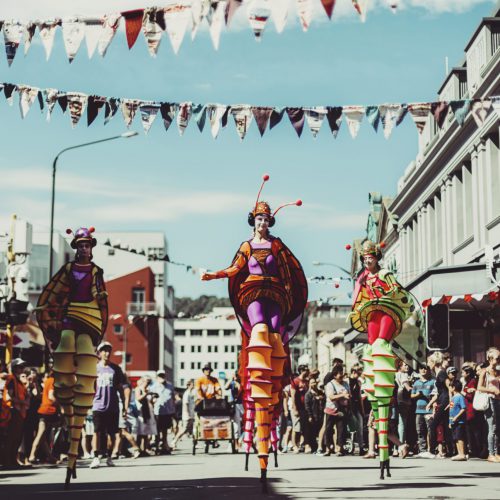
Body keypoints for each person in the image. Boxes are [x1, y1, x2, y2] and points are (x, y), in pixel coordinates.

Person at [201, 174, 307, 489]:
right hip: (252, 296)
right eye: (259, 218)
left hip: (277, 296)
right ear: (253, 220)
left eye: (266, 218)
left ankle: (271, 405)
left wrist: (296, 298)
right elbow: (235, 269)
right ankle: (260, 431)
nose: (262, 222)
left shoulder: (277, 245)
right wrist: (214, 275)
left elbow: (292, 271)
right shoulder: (247, 246)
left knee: (275, 342)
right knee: (259, 332)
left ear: (270, 221)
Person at [36, 226, 108, 487]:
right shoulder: (67, 270)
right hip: (69, 317)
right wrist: (46, 313)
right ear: (75, 247)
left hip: (88, 319)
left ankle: (74, 451)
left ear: (91, 246)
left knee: (86, 374)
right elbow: (52, 293)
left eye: (87, 244)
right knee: (64, 369)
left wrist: (101, 315)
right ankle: (70, 435)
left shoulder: (97, 272)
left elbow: (102, 301)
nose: (84, 248)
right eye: (80, 244)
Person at [350, 239, 417, 479]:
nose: (368, 261)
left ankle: (384, 388)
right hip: (371, 314)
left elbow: (398, 292)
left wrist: (384, 292)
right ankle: (376, 391)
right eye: (365, 258)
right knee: (370, 349)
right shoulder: (362, 280)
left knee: (380, 345)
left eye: (371, 257)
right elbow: (357, 301)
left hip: (388, 310)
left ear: (377, 258)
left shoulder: (386, 274)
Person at [90, 341, 126, 469]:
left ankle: (109, 457)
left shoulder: (116, 369)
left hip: (113, 406)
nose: (107, 353)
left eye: (108, 350)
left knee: (112, 434)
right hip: (98, 405)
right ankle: (95, 457)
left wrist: (124, 406)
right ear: (99, 353)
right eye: (104, 350)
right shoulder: (93, 368)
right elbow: (89, 387)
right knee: (97, 432)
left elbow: (120, 388)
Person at [0, 358, 29, 468]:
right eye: (20, 367)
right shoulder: (12, 380)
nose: (22, 369)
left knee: (17, 438)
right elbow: (9, 397)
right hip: (13, 411)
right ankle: (7, 461)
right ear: (14, 368)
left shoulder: (18, 381)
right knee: (11, 438)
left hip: (19, 411)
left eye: (22, 367)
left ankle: (13, 461)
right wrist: (23, 402)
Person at [29, 368, 59, 464]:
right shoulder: (52, 381)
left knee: (43, 436)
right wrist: (60, 403)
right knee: (41, 433)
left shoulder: (48, 380)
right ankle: (32, 455)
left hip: (44, 410)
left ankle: (49, 456)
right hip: (47, 410)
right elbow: (51, 396)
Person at [428, 352, 453, 457]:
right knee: (445, 426)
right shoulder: (438, 374)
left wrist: (451, 402)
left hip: (445, 401)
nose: (428, 364)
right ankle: (449, 450)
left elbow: (450, 387)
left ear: (434, 362)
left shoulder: (441, 373)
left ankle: (432, 449)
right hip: (442, 401)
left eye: (429, 361)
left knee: (433, 425)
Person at [477, 347, 500, 463]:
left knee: (498, 427)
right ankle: (491, 453)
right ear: (490, 359)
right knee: (492, 427)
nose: (499, 360)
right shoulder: (484, 372)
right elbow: (479, 387)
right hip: (490, 400)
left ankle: (497, 452)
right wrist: (492, 391)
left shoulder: (498, 371)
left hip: (498, 401)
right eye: (497, 358)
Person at [323, 365, 350, 456]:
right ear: (335, 375)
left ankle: (339, 448)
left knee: (341, 430)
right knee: (329, 430)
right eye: (340, 374)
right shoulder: (330, 385)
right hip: (331, 410)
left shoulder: (345, 383)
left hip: (341, 410)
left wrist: (347, 397)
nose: (342, 375)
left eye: (342, 373)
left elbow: (349, 394)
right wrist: (342, 395)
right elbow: (331, 397)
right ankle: (328, 448)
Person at [411, 365, 435, 458]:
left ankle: (431, 449)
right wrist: (417, 395)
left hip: (429, 410)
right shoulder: (416, 383)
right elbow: (411, 396)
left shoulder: (433, 381)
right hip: (418, 410)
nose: (423, 370)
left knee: (430, 430)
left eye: (425, 368)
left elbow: (435, 395)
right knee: (419, 430)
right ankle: (422, 450)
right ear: (419, 370)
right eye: (421, 368)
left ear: (428, 370)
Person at [150, 370, 175, 454]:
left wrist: (173, 411)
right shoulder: (153, 386)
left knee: (165, 431)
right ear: (157, 377)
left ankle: (164, 447)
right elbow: (150, 398)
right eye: (160, 376)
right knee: (157, 431)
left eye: (163, 376)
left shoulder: (170, 385)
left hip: (167, 412)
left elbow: (173, 398)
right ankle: (157, 447)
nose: (162, 378)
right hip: (157, 411)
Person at [461, 365, 482, 458]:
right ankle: (473, 449)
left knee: (474, 431)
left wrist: (463, 392)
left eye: (463, 372)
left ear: (468, 373)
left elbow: (471, 396)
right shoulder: (468, 382)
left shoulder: (472, 381)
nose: (462, 374)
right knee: (470, 431)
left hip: (471, 409)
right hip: (468, 409)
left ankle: (477, 450)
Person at [135, 376, 157, 456]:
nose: (148, 383)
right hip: (140, 413)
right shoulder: (138, 389)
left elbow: (150, 401)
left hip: (148, 412)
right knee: (140, 433)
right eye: (147, 381)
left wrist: (153, 399)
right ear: (143, 380)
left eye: (149, 381)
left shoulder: (148, 390)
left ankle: (144, 449)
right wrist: (146, 394)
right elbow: (138, 398)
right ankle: (138, 449)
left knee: (146, 433)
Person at [291, 365, 310, 453]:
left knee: (305, 427)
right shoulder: (295, 381)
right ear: (301, 370)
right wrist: (294, 408)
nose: (307, 371)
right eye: (306, 370)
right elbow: (293, 396)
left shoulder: (306, 381)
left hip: (304, 407)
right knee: (296, 427)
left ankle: (303, 444)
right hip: (297, 407)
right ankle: (294, 445)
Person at [172, 380, 196, 448]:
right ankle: (174, 441)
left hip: (192, 414)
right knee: (184, 429)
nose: (193, 386)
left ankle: (194, 444)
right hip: (187, 415)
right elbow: (185, 404)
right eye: (192, 384)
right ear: (188, 385)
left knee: (193, 429)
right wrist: (187, 414)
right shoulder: (187, 393)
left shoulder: (192, 393)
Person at [304, 376, 325, 453]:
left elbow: (324, 400)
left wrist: (321, 398)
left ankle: (321, 446)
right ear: (309, 384)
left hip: (320, 415)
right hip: (313, 415)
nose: (314, 384)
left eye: (315, 382)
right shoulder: (308, 394)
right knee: (312, 432)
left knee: (320, 431)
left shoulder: (320, 392)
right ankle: (313, 447)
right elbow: (307, 406)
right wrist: (310, 416)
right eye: (312, 382)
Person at [448, 380, 467, 461]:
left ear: (454, 387)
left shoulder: (460, 396)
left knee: (460, 437)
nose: (449, 388)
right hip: (453, 421)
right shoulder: (453, 397)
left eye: (450, 386)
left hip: (459, 421)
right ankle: (459, 453)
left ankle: (462, 454)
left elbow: (463, 408)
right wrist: (450, 421)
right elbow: (451, 410)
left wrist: (456, 417)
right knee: (455, 437)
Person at [348, 365, 365, 455]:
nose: (359, 375)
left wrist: (362, 410)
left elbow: (359, 396)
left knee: (360, 427)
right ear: (353, 372)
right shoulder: (347, 381)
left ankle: (361, 447)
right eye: (358, 373)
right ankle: (352, 446)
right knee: (352, 428)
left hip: (357, 406)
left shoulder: (358, 382)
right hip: (350, 407)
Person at [395, 361, 413, 447]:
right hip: (403, 397)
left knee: (399, 422)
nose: (407, 367)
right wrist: (413, 389)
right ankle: (401, 444)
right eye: (405, 365)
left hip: (398, 397)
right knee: (403, 422)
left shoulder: (396, 374)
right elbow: (407, 386)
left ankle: (397, 445)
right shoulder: (403, 375)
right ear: (400, 366)